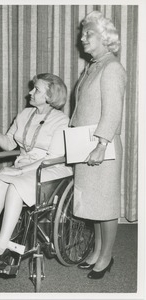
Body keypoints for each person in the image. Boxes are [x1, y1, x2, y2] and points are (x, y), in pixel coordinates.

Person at [0, 73, 73, 269]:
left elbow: (52, 157)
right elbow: (9, 144)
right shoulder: (25, 114)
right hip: (24, 166)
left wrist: (18, 171)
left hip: (50, 169)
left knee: (11, 182)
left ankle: (1, 245)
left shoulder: (61, 120)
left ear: (50, 96)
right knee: (3, 179)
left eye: (36, 89)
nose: (30, 92)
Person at [70, 11, 127, 279]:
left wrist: (102, 145)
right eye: (83, 33)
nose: (83, 38)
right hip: (86, 145)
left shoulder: (112, 67)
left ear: (105, 37)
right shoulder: (93, 66)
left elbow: (113, 111)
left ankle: (106, 256)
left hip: (102, 148)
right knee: (92, 203)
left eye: (88, 33)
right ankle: (96, 251)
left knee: (105, 205)